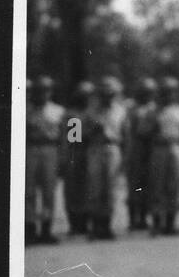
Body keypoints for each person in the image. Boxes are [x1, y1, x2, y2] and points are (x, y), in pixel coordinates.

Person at [86, 76, 128, 241]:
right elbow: (75, 135)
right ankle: (96, 226)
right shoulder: (90, 111)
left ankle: (107, 226)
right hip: (95, 147)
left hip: (113, 148)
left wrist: (126, 157)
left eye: (111, 93)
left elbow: (126, 135)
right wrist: (91, 131)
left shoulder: (121, 111)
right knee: (95, 187)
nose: (107, 96)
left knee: (111, 189)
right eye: (104, 93)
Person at [25, 76, 65, 245]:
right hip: (31, 148)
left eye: (45, 90)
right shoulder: (24, 110)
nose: (42, 94)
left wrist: (66, 156)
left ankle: (47, 229)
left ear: (50, 92)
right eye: (38, 91)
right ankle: (30, 229)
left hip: (51, 149)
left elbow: (68, 136)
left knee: (49, 191)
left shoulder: (59, 111)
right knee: (29, 191)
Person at [148, 77, 179, 235]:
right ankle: (157, 222)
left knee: (175, 185)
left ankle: (171, 222)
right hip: (160, 148)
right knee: (157, 185)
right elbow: (145, 132)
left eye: (171, 92)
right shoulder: (154, 111)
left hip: (176, 147)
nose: (168, 95)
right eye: (165, 92)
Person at [62, 80, 95, 236]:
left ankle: (86, 222)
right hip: (76, 151)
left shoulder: (94, 113)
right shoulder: (72, 114)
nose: (86, 98)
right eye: (83, 96)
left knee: (88, 188)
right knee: (73, 189)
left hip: (91, 153)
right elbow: (73, 138)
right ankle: (75, 224)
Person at [126, 77, 158, 230]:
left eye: (149, 92)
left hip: (151, 149)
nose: (146, 95)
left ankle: (144, 218)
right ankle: (133, 219)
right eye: (143, 92)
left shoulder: (155, 108)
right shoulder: (131, 108)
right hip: (135, 148)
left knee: (148, 185)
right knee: (134, 185)